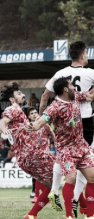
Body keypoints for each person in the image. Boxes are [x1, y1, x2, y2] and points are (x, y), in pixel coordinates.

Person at [39, 40, 94, 216]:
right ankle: (75, 200)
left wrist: (43, 116)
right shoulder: (91, 73)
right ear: (82, 55)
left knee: (64, 154)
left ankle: (54, 190)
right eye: (87, 53)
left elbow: (45, 95)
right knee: (85, 159)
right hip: (84, 121)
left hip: (63, 120)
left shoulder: (61, 73)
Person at [29, 75, 94, 219]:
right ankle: (69, 216)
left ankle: (90, 215)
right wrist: (33, 125)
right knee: (71, 178)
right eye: (71, 85)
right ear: (66, 89)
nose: (75, 87)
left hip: (82, 146)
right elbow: (42, 121)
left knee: (93, 177)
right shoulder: (54, 107)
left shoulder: (75, 97)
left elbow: (92, 95)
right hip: (66, 149)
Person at [0, 82, 56, 219]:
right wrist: (3, 128)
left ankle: (31, 215)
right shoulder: (14, 108)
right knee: (67, 170)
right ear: (12, 99)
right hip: (34, 155)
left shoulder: (20, 113)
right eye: (19, 93)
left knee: (51, 185)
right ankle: (86, 207)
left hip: (24, 159)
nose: (23, 94)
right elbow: (3, 120)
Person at [27, 107, 55, 203]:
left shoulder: (45, 126)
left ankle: (40, 195)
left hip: (45, 154)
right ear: (29, 116)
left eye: (35, 112)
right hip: (33, 155)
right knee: (39, 176)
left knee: (45, 176)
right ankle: (38, 195)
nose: (34, 114)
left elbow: (53, 136)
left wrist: (58, 147)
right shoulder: (28, 127)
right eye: (32, 113)